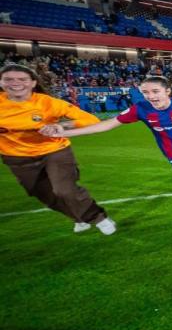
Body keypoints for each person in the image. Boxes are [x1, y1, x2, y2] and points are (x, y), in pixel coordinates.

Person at [44, 75, 172, 217]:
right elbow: (107, 125)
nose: (150, 96)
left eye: (155, 91)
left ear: (167, 91)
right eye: (145, 92)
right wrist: (66, 132)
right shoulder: (140, 109)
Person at [0, 63, 116, 234]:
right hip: (16, 158)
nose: (15, 83)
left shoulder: (49, 103)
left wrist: (62, 126)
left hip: (54, 151)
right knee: (43, 194)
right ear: (1, 83)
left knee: (64, 190)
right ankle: (78, 218)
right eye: (8, 79)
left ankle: (98, 218)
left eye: (22, 79)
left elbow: (91, 121)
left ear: (33, 83)